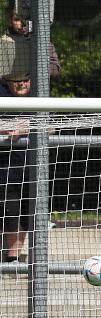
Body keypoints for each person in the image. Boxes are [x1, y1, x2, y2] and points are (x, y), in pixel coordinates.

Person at [0, 71, 31, 274]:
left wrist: (25, 128)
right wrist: (8, 129)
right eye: (17, 80)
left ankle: (14, 258)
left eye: (25, 80)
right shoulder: (2, 94)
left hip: (31, 168)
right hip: (5, 167)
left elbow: (52, 126)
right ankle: (10, 257)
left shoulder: (40, 94)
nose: (21, 84)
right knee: (9, 212)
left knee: (26, 214)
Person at [0, 8, 60, 79]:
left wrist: (36, 72)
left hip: (37, 86)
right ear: (10, 21)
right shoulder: (3, 42)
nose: (22, 23)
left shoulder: (42, 42)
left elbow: (55, 69)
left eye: (26, 19)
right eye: (17, 19)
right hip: (8, 88)